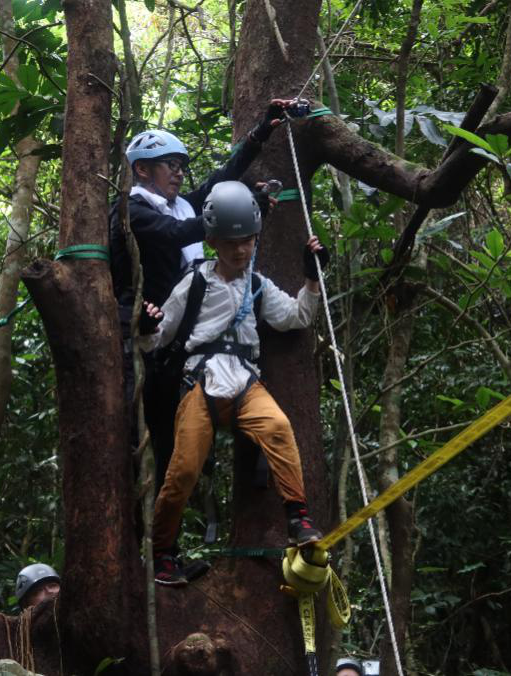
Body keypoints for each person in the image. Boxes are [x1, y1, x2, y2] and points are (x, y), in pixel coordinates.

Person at [140, 180, 330, 586]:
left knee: (278, 428)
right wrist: (146, 326)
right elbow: (159, 338)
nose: (240, 249)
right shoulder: (194, 283)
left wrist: (312, 279)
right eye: (230, 243)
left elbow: (296, 316)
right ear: (212, 241)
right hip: (202, 381)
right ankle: (162, 552)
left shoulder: (257, 285)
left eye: (246, 241)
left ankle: (298, 517)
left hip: (245, 381)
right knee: (184, 469)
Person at [109, 100, 297, 502]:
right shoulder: (132, 210)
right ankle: (140, 538)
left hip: (178, 336)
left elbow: (221, 178)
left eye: (180, 165)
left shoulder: (178, 205)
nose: (178, 172)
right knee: (139, 432)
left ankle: (163, 551)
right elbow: (176, 234)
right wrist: (243, 215)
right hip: (140, 334)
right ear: (142, 169)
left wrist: (262, 130)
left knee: (172, 437)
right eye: (169, 165)